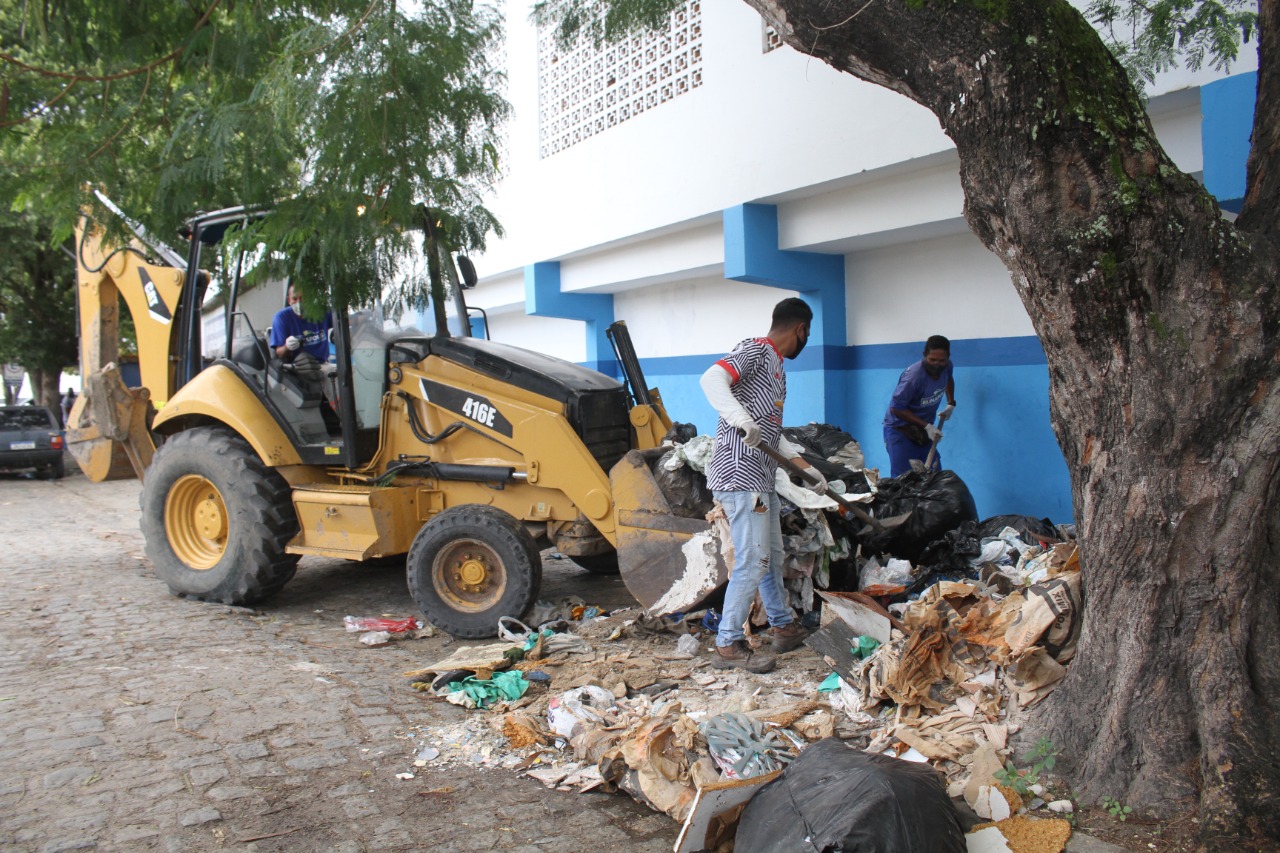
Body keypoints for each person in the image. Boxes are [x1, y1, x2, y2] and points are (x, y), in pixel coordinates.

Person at [699, 297, 829, 673]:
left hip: (762, 477)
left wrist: (809, 472)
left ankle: (783, 626)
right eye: (808, 333)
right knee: (754, 558)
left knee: (769, 555)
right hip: (740, 476)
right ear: (801, 329)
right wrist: (739, 417)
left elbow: (775, 437)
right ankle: (728, 644)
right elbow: (711, 378)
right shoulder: (756, 350)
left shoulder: (777, 369)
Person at [883, 335, 956, 478]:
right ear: (924, 356)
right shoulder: (914, 377)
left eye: (942, 361)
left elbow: (949, 379)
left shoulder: (947, 367)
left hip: (923, 431)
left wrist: (950, 403)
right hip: (900, 430)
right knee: (904, 480)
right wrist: (927, 426)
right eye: (932, 360)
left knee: (935, 477)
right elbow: (896, 408)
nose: (937, 365)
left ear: (948, 358)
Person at [269, 284, 333, 364]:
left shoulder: (321, 312)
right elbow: (279, 353)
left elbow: (344, 322)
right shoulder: (281, 318)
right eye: (295, 299)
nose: (299, 303)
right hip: (297, 369)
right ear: (289, 300)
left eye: (303, 299)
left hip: (323, 364)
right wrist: (287, 347)